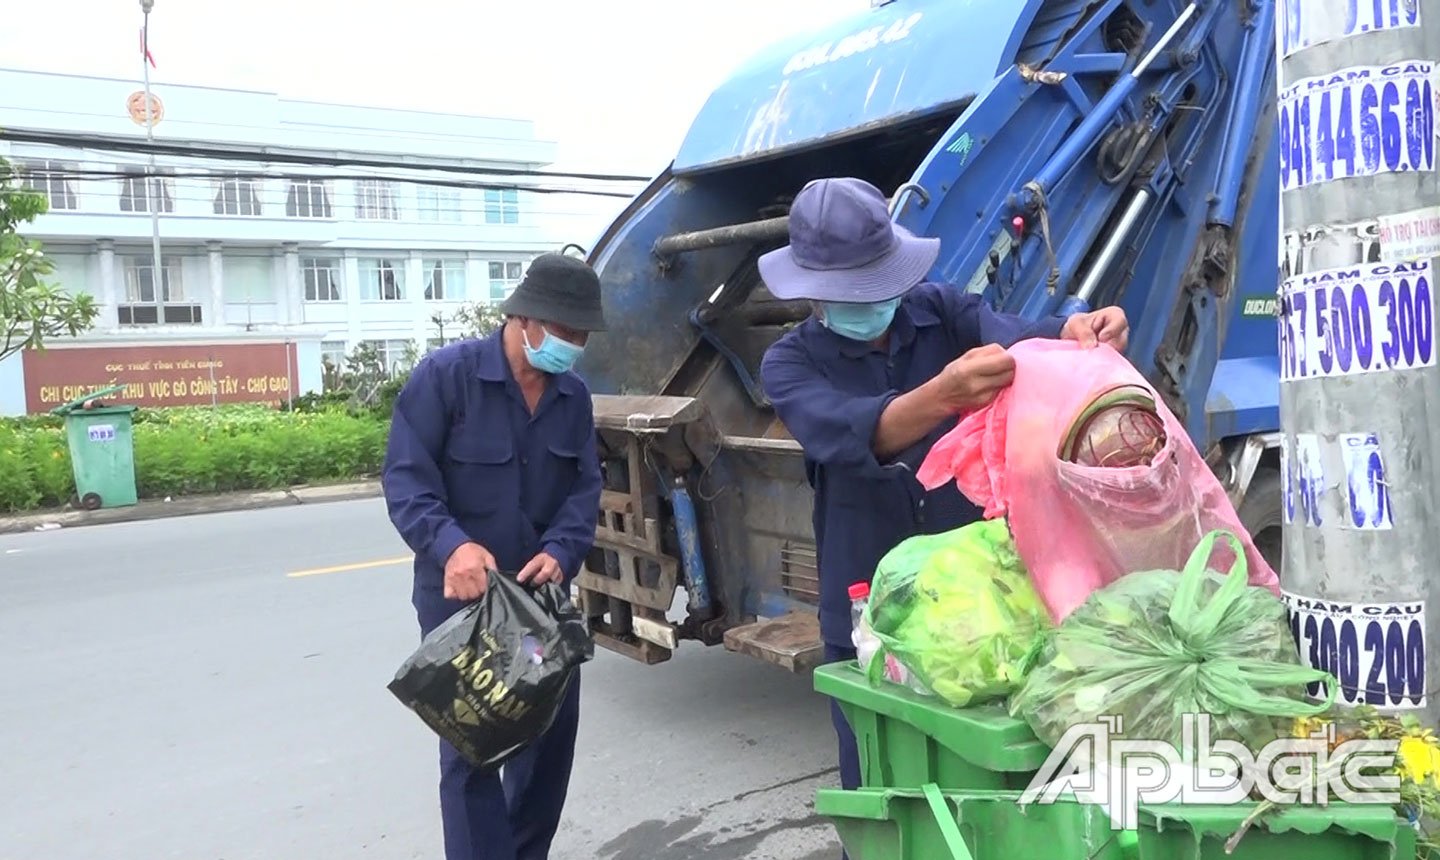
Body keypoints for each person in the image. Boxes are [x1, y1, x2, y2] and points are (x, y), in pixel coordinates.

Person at [757, 177, 1129, 813]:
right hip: (870, 609)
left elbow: (1023, 336)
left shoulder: (942, 311)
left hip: (977, 606)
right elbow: (863, 435)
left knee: (972, 794)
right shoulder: (788, 365)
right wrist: (945, 394)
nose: (866, 302)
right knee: (880, 796)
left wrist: (1077, 328)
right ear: (812, 289)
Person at [381, 252, 606, 860]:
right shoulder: (444, 378)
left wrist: (563, 549)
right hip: (461, 600)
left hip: (539, 601)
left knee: (548, 742)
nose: (573, 344)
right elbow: (407, 480)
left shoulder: (573, 398)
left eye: (582, 335)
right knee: (472, 750)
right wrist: (451, 546)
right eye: (565, 331)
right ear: (525, 317)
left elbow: (585, 489)